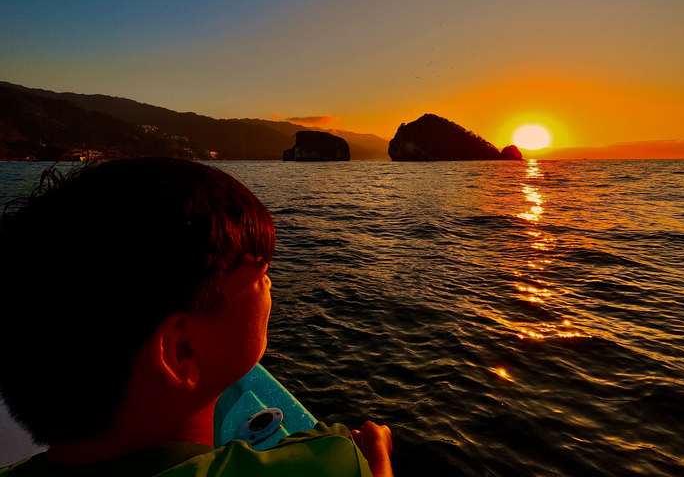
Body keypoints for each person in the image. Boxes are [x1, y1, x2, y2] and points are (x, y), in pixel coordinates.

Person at [0, 157, 393, 476]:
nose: (271, 284)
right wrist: (371, 464)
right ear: (181, 351)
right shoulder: (332, 463)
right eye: (260, 275)